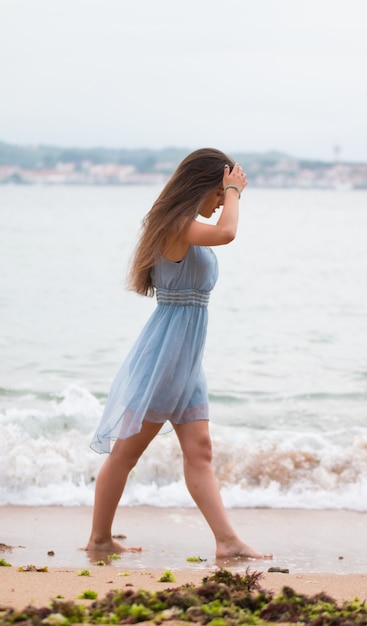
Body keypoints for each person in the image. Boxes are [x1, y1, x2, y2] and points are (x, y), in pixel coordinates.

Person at [86, 148, 269, 559]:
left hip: (187, 357)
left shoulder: (187, 227)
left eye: (225, 197)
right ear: (203, 185)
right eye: (218, 194)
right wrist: (235, 189)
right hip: (165, 354)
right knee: (126, 452)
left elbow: (220, 233)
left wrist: (231, 192)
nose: (221, 203)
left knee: (200, 449)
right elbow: (227, 234)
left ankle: (226, 541)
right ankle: (99, 539)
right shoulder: (175, 225)